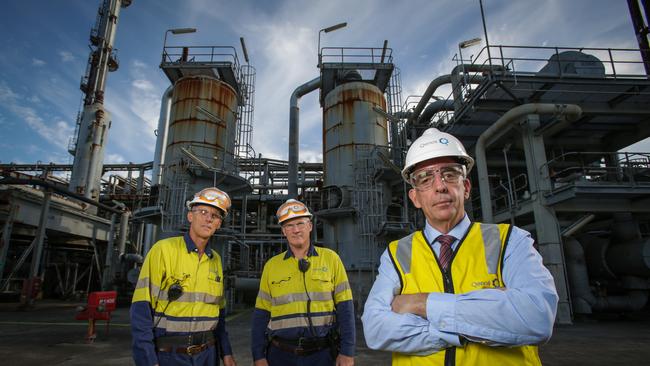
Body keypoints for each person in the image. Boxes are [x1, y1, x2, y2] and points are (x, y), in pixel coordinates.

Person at [361, 128, 559, 365]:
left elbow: (536, 319)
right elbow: (375, 329)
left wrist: (420, 303)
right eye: (425, 179)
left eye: (450, 174)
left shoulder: (510, 240)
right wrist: (478, 321)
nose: (440, 186)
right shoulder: (397, 253)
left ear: (465, 187)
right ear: (415, 198)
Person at [131, 187, 237, 366]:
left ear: (219, 224)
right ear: (190, 216)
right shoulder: (163, 250)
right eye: (203, 212)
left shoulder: (216, 261)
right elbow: (141, 310)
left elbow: (218, 313)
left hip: (208, 356)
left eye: (215, 215)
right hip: (170, 356)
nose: (208, 219)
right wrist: (147, 360)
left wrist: (226, 352)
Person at [251, 199, 355, 366]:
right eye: (289, 226)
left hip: (322, 354)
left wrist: (347, 352)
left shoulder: (331, 259)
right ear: (284, 231)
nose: (296, 230)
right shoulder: (272, 266)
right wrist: (258, 355)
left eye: (300, 223)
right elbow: (260, 315)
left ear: (310, 226)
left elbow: (346, 309)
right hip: (280, 355)